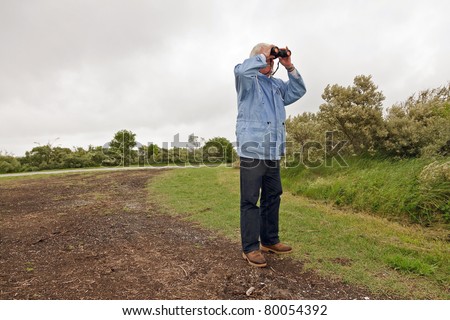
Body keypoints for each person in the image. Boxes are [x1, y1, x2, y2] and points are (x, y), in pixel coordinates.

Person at [234, 43, 306, 267]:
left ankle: (269, 240)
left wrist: (289, 66)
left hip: (273, 151)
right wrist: (263, 55)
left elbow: (298, 91)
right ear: (257, 58)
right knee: (250, 200)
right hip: (253, 149)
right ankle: (250, 248)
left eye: (272, 60)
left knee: (273, 195)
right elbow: (241, 69)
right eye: (268, 59)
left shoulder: (276, 85)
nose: (271, 62)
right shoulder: (247, 81)